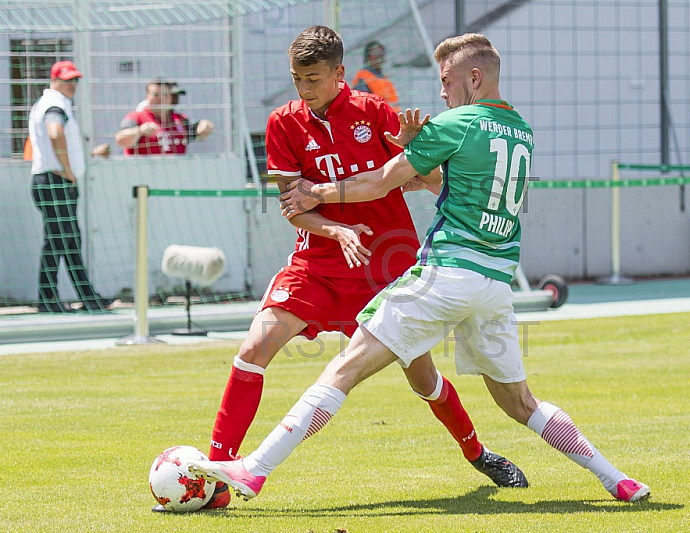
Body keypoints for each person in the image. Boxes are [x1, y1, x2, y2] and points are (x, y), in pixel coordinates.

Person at [187, 33, 651, 504]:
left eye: (446, 81)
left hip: (422, 269)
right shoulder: (520, 129)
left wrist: (326, 190)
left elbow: (386, 182)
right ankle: (618, 479)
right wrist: (381, 184)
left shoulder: (448, 121)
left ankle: (255, 470)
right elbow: (442, 180)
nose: (441, 93)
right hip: (490, 280)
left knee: (351, 373)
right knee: (521, 403)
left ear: (473, 78)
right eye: (297, 79)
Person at [28, 61, 112, 313]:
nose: (72, 85)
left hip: (53, 181)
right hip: (55, 183)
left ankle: (86, 297)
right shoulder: (55, 104)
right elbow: (55, 134)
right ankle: (49, 300)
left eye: (75, 80)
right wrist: (67, 171)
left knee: (68, 241)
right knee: (59, 241)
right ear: (54, 81)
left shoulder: (54, 103)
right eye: (66, 80)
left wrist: (83, 158)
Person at [115, 78, 214, 155]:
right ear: (147, 96)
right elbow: (120, 140)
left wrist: (206, 125)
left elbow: (199, 131)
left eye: (165, 94)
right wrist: (140, 131)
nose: (161, 98)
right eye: (156, 94)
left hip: (175, 174)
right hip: (144, 175)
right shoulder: (136, 117)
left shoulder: (179, 119)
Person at [351, 40, 400, 111]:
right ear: (367, 57)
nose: (379, 56)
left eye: (381, 53)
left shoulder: (384, 78)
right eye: (375, 53)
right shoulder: (363, 77)